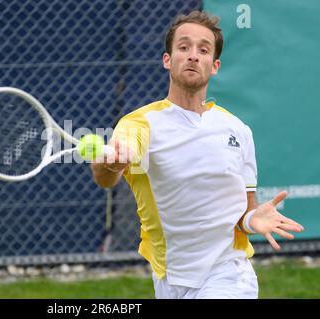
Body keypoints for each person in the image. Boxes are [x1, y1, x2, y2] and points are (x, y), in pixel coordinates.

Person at [90, 11, 304, 299]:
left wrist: (254, 218)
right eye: (183, 47)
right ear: (168, 60)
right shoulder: (138, 125)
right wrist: (110, 164)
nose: (192, 56)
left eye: (203, 50)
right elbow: (107, 178)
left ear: (214, 66)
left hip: (229, 275)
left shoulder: (238, 130)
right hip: (169, 279)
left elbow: (244, 213)